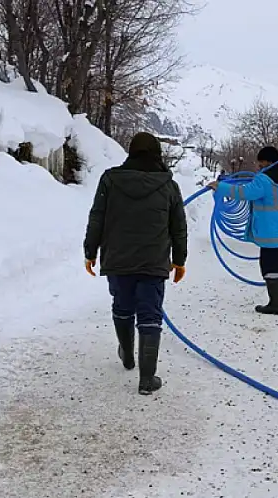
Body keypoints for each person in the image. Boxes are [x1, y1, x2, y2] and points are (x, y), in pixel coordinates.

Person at [83, 132, 188, 395]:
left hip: (118, 259)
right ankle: (146, 379)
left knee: (122, 306)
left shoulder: (110, 180)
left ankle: (127, 355)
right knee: (150, 314)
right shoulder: (168, 185)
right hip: (153, 262)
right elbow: (179, 227)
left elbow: (97, 217)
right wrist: (179, 261)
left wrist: (90, 252)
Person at [209, 146, 278, 315]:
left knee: (270, 268)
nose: (259, 166)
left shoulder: (264, 180)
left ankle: (275, 304)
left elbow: (244, 193)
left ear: (267, 161)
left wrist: (220, 187)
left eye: (260, 163)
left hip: (271, 235)